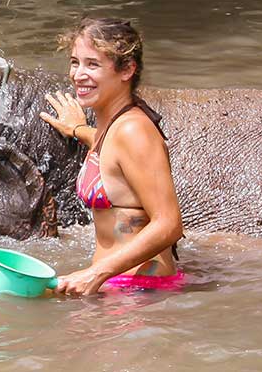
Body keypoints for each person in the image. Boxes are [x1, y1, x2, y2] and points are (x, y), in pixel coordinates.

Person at [39, 18, 184, 296]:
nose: (78, 75)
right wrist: (78, 129)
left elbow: (169, 223)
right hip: (121, 287)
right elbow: (114, 156)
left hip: (140, 293)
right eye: (75, 62)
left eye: (92, 64)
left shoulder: (133, 130)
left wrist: (95, 274)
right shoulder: (115, 127)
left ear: (127, 69)